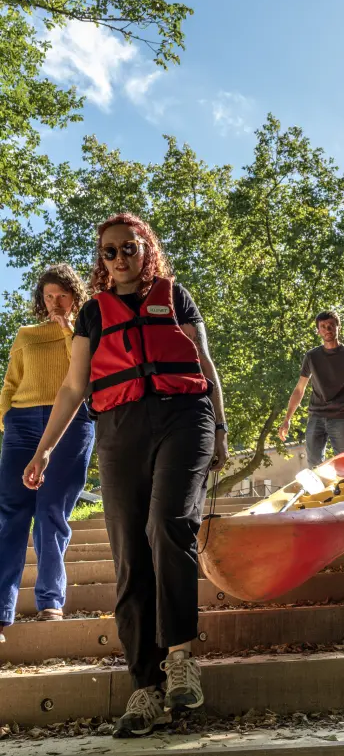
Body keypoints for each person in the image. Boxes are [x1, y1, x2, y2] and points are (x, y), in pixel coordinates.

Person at [22, 214, 229, 738]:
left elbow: (205, 365)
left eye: (129, 248)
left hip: (184, 417)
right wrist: (44, 452)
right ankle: (145, 685)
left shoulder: (176, 298)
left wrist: (221, 430)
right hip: (119, 428)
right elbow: (74, 388)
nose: (119, 258)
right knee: (130, 552)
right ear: (102, 260)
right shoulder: (93, 312)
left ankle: (179, 658)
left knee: (168, 524)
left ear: (146, 249)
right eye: (109, 252)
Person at [0, 265, 94, 643]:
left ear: (75, 297)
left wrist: (67, 328)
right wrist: (6, 417)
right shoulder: (26, 334)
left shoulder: (84, 333)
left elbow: (84, 375)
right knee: (11, 513)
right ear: (41, 298)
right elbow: (10, 382)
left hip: (71, 423)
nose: (55, 302)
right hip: (22, 423)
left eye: (63, 295)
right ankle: (1, 610)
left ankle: (50, 600)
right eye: (49, 295)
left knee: (51, 511)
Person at [278, 310, 344, 466]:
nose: (327, 329)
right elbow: (299, 389)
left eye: (331, 325)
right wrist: (287, 419)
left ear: (338, 327)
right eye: (323, 326)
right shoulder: (311, 357)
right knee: (314, 465)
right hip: (316, 416)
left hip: (340, 417)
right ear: (318, 331)